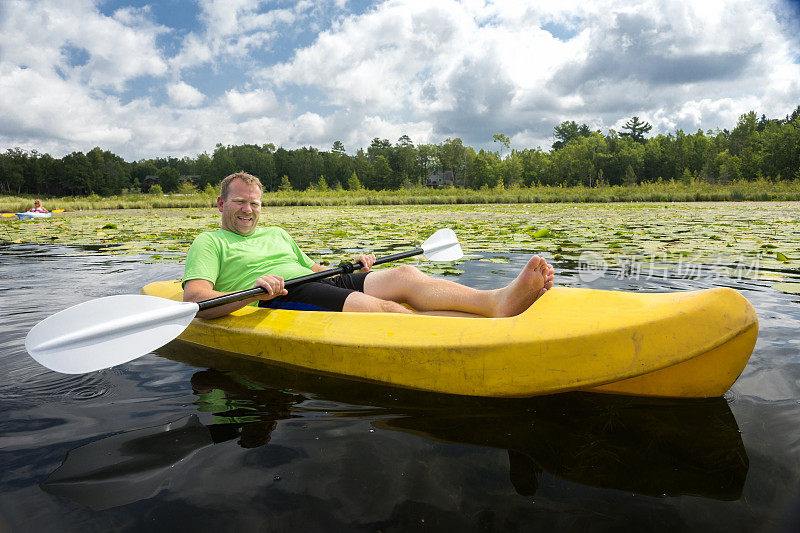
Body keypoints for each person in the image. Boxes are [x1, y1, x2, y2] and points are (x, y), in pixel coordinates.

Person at [182, 172, 555, 319]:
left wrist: (354, 268)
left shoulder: (277, 233)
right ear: (221, 204)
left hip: (315, 280)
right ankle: (467, 334)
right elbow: (197, 302)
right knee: (384, 308)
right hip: (277, 294)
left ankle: (495, 301)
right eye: (239, 202)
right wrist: (253, 292)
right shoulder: (210, 241)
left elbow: (312, 270)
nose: (248, 210)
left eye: (255, 203)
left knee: (406, 274)